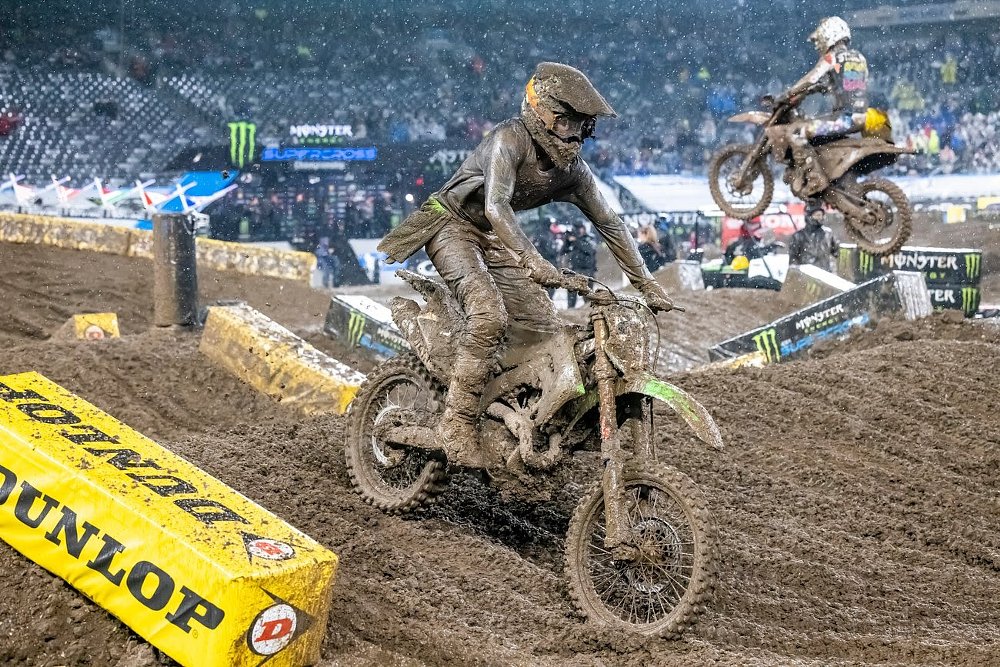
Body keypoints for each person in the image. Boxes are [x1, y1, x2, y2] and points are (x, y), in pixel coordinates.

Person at [378, 62, 673, 467]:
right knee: (489, 317)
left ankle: (509, 411)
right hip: (452, 224)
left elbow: (610, 222)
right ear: (544, 115)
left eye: (586, 128)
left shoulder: (574, 174)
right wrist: (532, 259)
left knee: (545, 329)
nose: (578, 138)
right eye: (571, 124)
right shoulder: (509, 140)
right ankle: (458, 423)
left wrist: (647, 284)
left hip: (496, 239)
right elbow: (496, 206)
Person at [775, 16, 869, 197]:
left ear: (829, 34)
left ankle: (816, 178)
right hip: (860, 116)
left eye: (819, 40)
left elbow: (811, 78)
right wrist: (822, 87)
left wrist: (787, 94)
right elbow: (849, 84)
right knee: (815, 132)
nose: (818, 45)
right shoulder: (858, 57)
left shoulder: (832, 57)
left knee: (796, 132)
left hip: (845, 118)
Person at [789, 201, 838, 271]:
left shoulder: (828, 233)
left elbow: (836, 252)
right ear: (809, 216)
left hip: (825, 274)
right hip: (806, 274)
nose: (819, 218)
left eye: (821, 215)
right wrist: (796, 271)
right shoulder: (799, 235)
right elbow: (793, 258)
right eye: (817, 215)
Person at [564, 221, 597, 308]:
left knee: (587, 295)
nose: (578, 231)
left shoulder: (589, 238)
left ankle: (588, 311)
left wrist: (576, 240)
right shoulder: (573, 241)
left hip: (586, 271)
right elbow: (563, 251)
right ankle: (570, 310)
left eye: (579, 228)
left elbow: (588, 250)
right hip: (574, 270)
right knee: (571, 292)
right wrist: (567, 241)